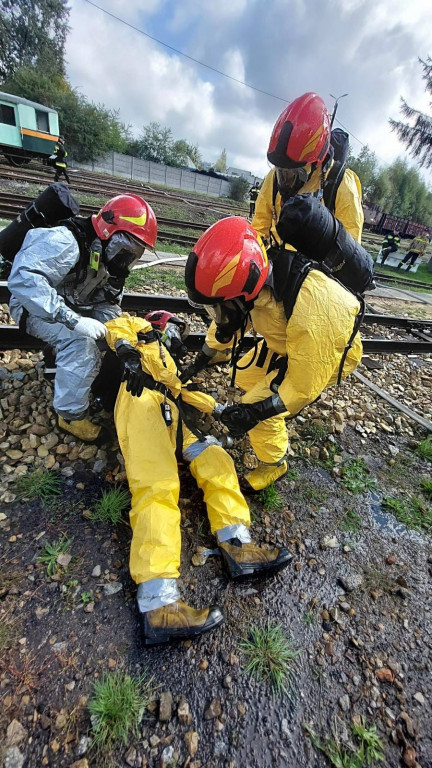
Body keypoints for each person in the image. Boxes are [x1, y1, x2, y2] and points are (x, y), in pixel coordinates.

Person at [104, 311, 292, 645]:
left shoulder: (171, 367)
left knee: (216, 457)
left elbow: (187, 392)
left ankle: (238, 545)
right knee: (157, 488)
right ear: (159, 326)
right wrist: (128, 355)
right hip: (139, 404)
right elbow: (115, 326)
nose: (179, 334)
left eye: (182, 330)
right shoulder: (140, 334)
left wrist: (221, 410)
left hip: (172, 419)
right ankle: (158, 603)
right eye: (174, 327)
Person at [184, 216, 363, 492]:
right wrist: (200, 361)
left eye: (217, 309)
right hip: (286, 338)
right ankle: (259, 422)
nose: (217, 316)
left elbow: (301, 386)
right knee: (245, 372)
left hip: (324, 353)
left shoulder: (313, 308)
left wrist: (256, 412)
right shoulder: (256, 285)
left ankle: (274, 463)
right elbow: (230, 322)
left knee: (259, 404)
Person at [8, 194, 157, 443]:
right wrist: (72, 320)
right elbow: (25, 279)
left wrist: (119, 340)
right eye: (127, 247)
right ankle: (70, 416)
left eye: (135, 253)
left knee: (102, 339)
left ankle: (62, 362)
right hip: (31, 306)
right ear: (109, 232)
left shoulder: (110, 263)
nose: (128, 259)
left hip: (71, 303)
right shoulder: (67, 241)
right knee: (81, 344)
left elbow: (108, 305)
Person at [251, 92, 364, 246]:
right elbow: (259, 227)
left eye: (293, 174)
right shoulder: (274, 177)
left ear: (316, 161)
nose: (285, 180)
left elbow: (350, 249)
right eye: (282, 171)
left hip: (317, 266)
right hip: (278, 259)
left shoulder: (342, 184)